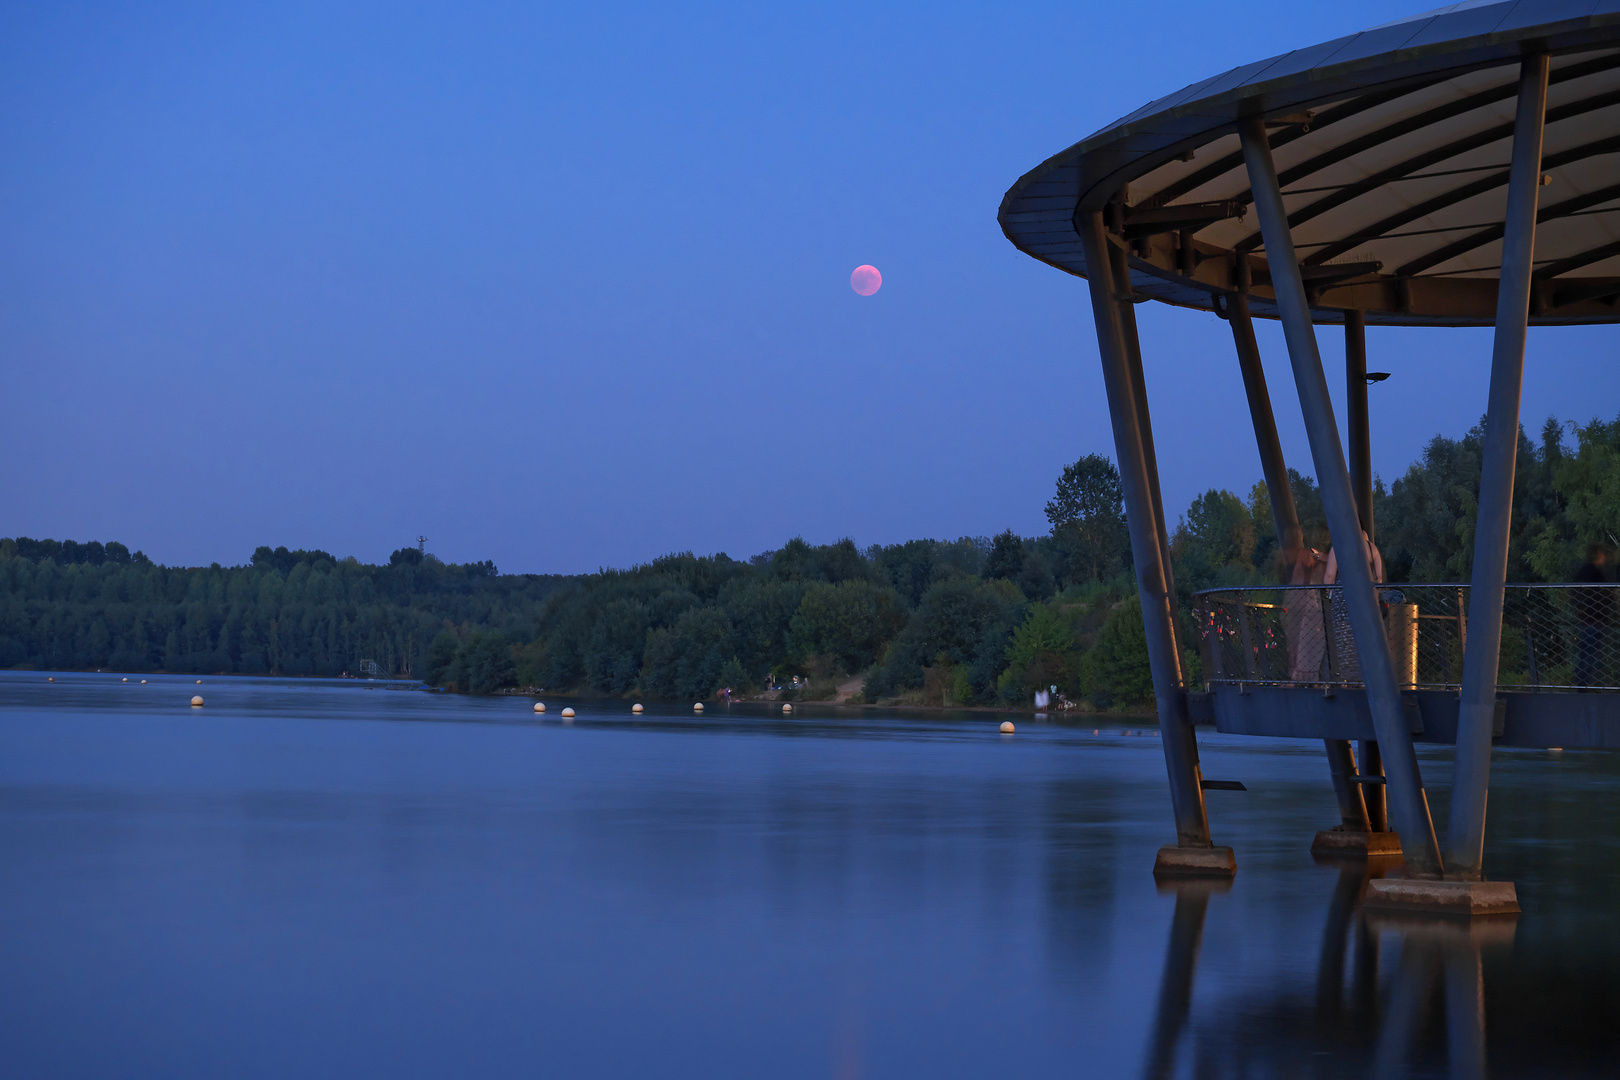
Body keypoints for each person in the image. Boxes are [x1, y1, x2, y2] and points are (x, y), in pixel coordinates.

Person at [1324, 529, 1384, 682]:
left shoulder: (1339, 545)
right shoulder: (1372, 548)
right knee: (1366, 638)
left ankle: (1350, 680)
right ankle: (1368, 679)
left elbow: (1330, 574)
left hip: (1344, 595)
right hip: (1366, 596)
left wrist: (1328, 591)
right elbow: (1379, 576)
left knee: (1345, 639)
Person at [1283, 531, 1330, 682]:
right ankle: (1309, 677)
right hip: (1317, 604)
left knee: (1303, 642)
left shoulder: (1307, 555)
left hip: (1309, 604)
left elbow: (1300, 580)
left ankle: (1303, 678)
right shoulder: (1324, 559)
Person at [1574, 543, 1613, 688]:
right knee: (1592, 653)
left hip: (1587, 618)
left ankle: (1583, 685)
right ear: (1598, 554)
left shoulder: (1583, 572)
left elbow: (1577, 594)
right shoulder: (1595, 573)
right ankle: (1586, 686)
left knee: (1587, 652)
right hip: (1595, 618)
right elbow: (1605, 595)